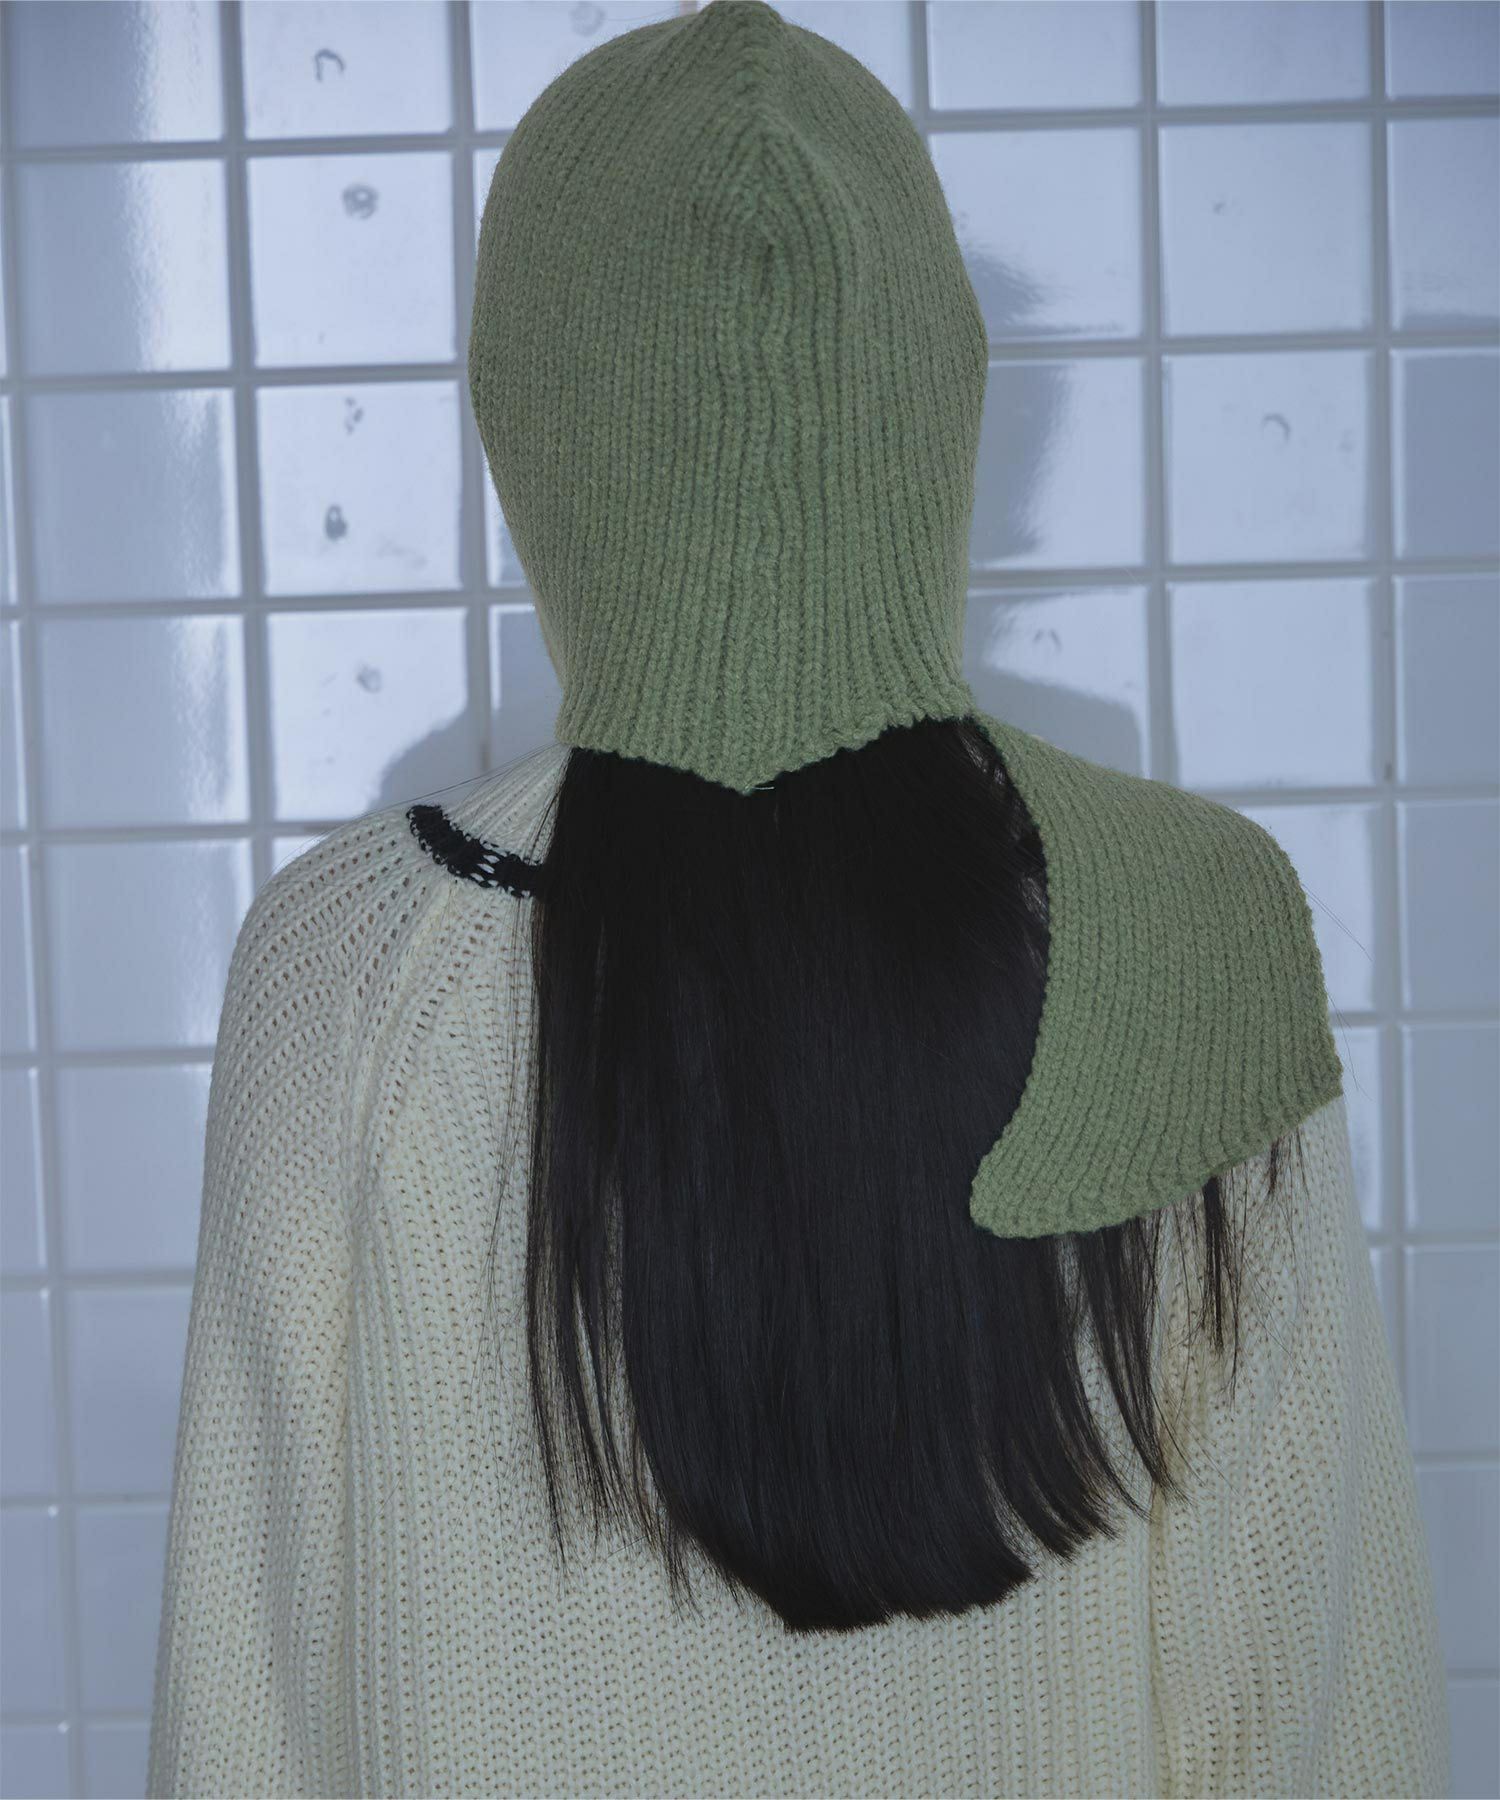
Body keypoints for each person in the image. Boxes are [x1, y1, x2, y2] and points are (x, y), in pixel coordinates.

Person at [144, 2, 1449, 1794]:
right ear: (938, 402)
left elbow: (244, 1712)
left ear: (526, 426)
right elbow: (1321, 1706)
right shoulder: (1183, 923)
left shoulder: (354, 964)